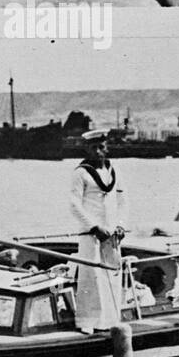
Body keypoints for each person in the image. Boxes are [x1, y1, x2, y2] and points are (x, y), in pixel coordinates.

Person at [70, 129, 127, 332]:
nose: (98, 151)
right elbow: (74, 205)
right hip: (91, 233)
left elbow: (121, 201)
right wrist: (93, 226)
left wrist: (120, 225)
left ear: (107, 147)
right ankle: (87, 322)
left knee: (112, 274)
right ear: (86, 148)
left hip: (111, 234)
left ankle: (110, 320)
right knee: (90, 276)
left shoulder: (114, 171)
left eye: (101, 147)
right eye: (93, 147)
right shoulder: (81, 173)